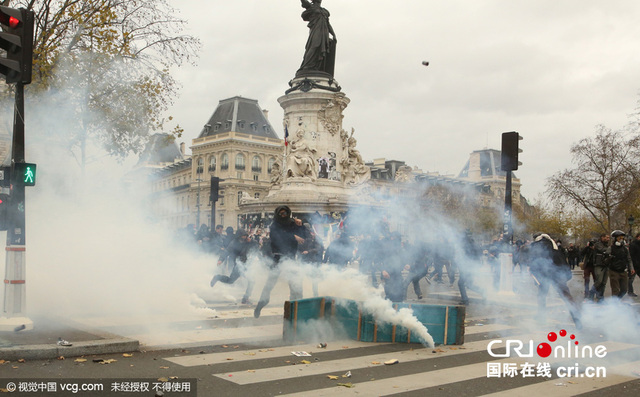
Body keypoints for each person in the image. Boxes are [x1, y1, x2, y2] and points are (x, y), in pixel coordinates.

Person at [254, 206, 305, 318]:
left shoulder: (292, 223)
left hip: (291, 259)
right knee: (270, 283)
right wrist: (293, 236)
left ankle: (296, 308)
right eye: (281, 213)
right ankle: (261, 303)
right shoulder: (274, 226)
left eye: (285, 213)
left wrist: (300, 225)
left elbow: (303, 237)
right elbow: (277, 238)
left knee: (296, 285)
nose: (283, 215)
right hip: (278, 258)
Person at [528, 233, 581, 328]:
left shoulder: (536, 246)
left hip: (545, 275)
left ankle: (541, 316)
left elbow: (534, 262)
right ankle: (576, 318)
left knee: (541, 296)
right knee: (567, 296)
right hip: (558, 274)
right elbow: (563, 260)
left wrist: (535, 275)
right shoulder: (554, 245)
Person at [210, 230, 257, 304]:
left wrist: (251, 241)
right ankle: (218, 277)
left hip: (246, 265)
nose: (244, 237)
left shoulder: (248, 241)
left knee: (252, 281)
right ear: (239, 237)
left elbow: (257, 245)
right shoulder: (234, 243)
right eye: (243, 236)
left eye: (245, 236)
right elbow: (227, 251)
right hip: (238, 265)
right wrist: (221, 260)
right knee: (230, 281)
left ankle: (245, 298)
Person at [297, 0, 337, 76]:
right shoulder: (311, 7)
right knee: (314, 46)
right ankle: (307, 66)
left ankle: (317, 67)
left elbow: (328, 24)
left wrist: (333, 34)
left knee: (322, 49)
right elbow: (304, 3)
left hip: (324, 33)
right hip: (316, 30)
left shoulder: (324, 11)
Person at [298, 223, 324, 297]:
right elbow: (298, 247)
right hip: (303, 260)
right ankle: (300, 295)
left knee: (314, 279)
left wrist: (308, 251)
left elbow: (318, 248)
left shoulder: (314, 237)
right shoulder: (300, 236)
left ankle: (315, 294)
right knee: (300, 279)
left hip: (312, 260)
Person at [607, 230, 635, 299]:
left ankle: (617, 301)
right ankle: (615, 306)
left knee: (624, 290)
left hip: (623, 271)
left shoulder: (625, 249)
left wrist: (631, 268)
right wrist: (609, 258)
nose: (621, 240)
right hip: (614, 271)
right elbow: (605, 260)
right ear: (615, 239)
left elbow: (629, 259)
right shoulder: (610, 248)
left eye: (622, 238)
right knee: (615, 290)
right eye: (619, 238)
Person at [590, 233, 611, 302]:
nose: (608, 239)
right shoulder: (598, 244)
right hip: (599, 265)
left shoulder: (607, 245)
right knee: (599, 281)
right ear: (602, 237)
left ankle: (600, 297)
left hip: (606, 265)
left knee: (604, 283)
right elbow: (604, 250)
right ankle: (591, 294)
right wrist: (610, 249)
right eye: (607, 237)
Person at [628, 233, 640, 297]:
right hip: (634, 265)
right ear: (638, 237)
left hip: (638, 264)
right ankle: (630, 291)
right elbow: (631, 255)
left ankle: (630, 291)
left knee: (631, 279)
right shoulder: (633, 245)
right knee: (631, 279)